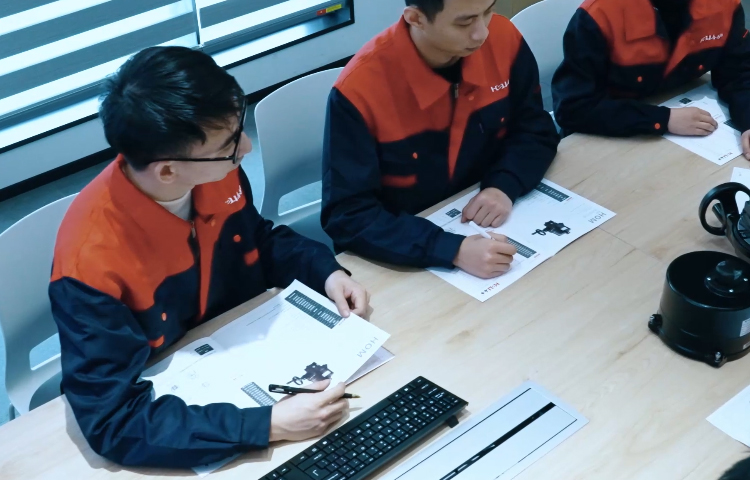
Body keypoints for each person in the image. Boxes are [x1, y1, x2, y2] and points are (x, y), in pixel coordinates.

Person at [49, 46, 370, 468]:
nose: (247, 147)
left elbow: (257, 239)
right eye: (230, 144)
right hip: (178, 400)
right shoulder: (89, 263)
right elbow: (113, 422)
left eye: (239, 130)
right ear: (167, 170)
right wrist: (267, 425)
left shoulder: (211, 168)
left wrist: (325, 272)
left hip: (235, 349)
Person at [321, 0, 559, 279]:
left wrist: (505, 184)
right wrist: (450, 250)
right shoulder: (360, 91)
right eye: (464, 22)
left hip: (488, 225)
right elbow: (348, 215)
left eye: (488, 11)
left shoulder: (504, 38)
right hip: (404, 256)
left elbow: (535, 128)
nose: (482, 33)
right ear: (416, 19)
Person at [552, 0, 750, 157]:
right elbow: (573, 108)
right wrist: (662, 119)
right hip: (606, 139)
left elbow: (739, 73)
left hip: (683, 144)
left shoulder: (724, 5)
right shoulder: (601, 14)